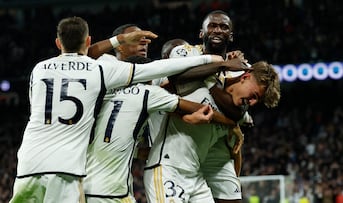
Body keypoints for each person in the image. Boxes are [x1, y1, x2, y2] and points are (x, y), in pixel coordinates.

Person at [9, 16, 227, 202]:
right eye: (137, 39)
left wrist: (119, 40)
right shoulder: (104, 71)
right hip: (76, 172)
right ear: (89, 40)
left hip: (31, 162)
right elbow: (160, 69)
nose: (144, 43)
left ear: (58, 43)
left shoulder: (39, 69)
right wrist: (212, 60)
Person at [83, 55, 237, 203]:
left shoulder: (105, 94)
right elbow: (200, 109)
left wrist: (138, 152)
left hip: (86, 183)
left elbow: (109, 137)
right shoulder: (147, 93)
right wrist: (232, 124)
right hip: (113, 190)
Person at [143, 42, 279, 202]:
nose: (252, 102)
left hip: (195, 175)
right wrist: (182, 115)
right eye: (254, 95)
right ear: (245, 77)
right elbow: (159, 98)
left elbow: (234, 152)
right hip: (168, 167)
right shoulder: (197, 80)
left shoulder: (239, 114)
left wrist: (232, 125)